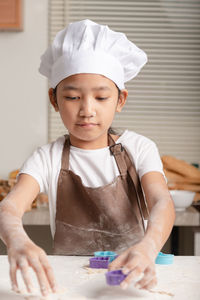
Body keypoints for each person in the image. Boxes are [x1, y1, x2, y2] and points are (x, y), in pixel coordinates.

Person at [0, 19, 175, 297]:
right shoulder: (47, 157)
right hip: (70, 282)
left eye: (101, 98)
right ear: (54, 100)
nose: (87, 110)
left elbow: (162, 201)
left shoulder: (140, 148)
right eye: (72, 97)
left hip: (135, 275)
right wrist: (18, 240)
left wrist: (148, 246)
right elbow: (9, 208)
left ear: (120, 100)